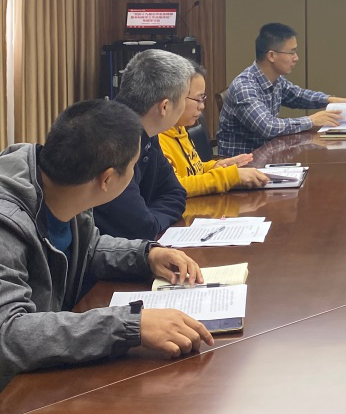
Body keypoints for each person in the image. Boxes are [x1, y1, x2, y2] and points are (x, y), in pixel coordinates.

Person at [0, 100, 213, 390]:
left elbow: (88, 249)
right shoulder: (7, 223)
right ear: (108, 179)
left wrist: (146, 255)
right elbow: (9, 334)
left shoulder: (65, 185)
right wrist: (129, 325)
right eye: (133, 167)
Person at [94, 49, 194, 241]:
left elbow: (175, 192)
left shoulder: (147, 130)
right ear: (165, 107)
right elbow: (141, 227)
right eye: (184, 98)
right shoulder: (111, 140)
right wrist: (150, 222)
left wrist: (150, 219)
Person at [217, 23, 346, 157]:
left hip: (268, 156)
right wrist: (311, 120)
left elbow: (298, 96)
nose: (296, 58)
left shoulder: (276, 80)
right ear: (271, 56)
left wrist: (329, 99)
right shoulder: (245, 87)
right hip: (243, 165)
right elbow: (268, 127)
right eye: (291, 52)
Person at [161, 64, 270, 197]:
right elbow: (177, 186)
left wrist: (217, 166)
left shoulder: (179, 129)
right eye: (197, 99)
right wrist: (228, 176)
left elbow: (193, 170)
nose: (202, 106)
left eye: (203, 99)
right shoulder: (158, 140)